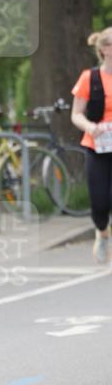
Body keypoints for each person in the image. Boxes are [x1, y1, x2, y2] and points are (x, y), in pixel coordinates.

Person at [71, 27, 112, 264]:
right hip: (97, 145)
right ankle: (102, 231)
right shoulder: (90, 78)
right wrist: (89, 126)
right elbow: (76, 114)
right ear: (105, 50)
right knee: (99, 202)